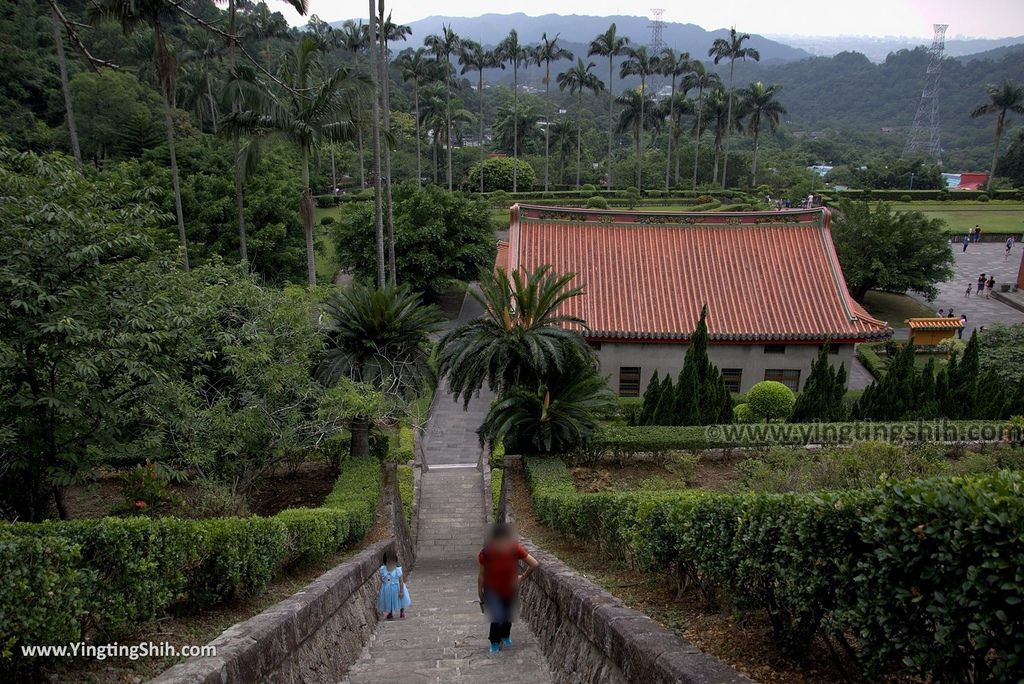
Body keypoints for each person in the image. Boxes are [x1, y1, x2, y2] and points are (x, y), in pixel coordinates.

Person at [478, 522, 540, 653]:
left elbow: (534, 564)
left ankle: (505, 635)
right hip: (492, 589)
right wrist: (480, 592)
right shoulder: (486, 553)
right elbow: (482, 574)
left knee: (507, 614)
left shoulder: (515, 549)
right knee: (497, 616)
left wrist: (521, 577)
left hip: (509, 588)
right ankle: (494, 641)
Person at [377, 549, 411, 620]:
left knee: (400, 600)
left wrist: (401, 591)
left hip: (397, 587)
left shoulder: (397, 570)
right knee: (389, 600)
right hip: (387, 588)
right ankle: (390, 612)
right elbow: (382, 579)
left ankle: (402, 611)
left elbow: (401, 581)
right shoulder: (383, 569)